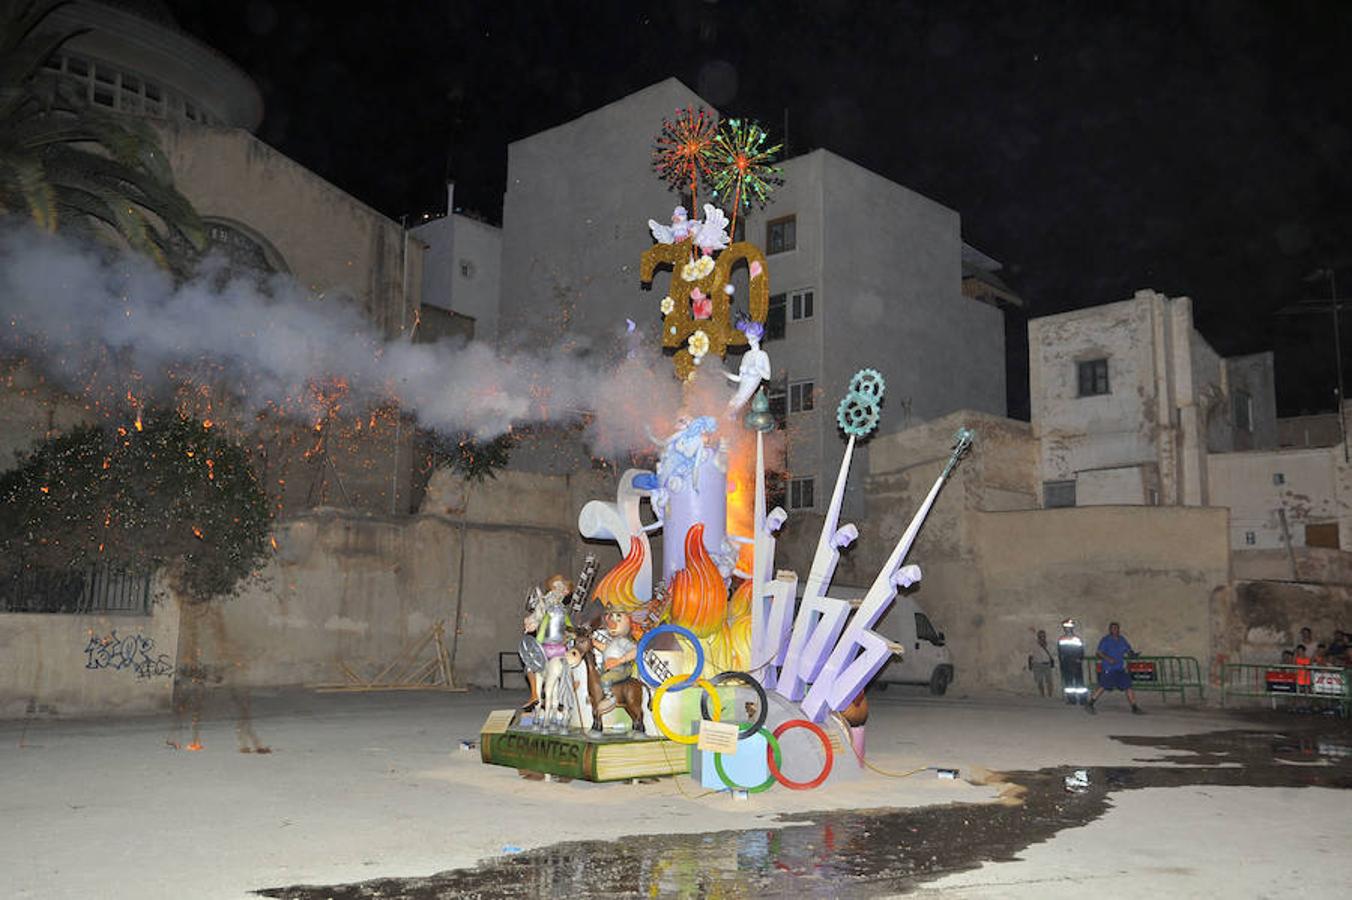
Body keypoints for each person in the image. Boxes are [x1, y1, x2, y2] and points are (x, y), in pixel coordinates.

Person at [1086, 622, 1143, 714]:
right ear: (1110, 630)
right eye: (1113, 628)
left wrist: (1133, 654)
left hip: (1120, 668)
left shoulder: (1122, 640)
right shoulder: (1106, 640)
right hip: (1109, 668)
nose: (1115, 630)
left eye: (1116, 628)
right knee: (1103, 686)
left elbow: (1128, 650)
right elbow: (1099, 652)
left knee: (1128, 686)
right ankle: (1090, 703)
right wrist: (1108, 658)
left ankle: (1134, 707)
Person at [1056, 619, 1088, 705]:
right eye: (1066, 628)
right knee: (1069, 683)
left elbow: (1081, 651)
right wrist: (1062, 663)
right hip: (1066, 663)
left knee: (1079, 682)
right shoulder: (1061, 639)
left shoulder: (1076, 639)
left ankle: (1082, 700)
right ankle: (1072, 699)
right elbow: (1060, 653)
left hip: (1075, 663)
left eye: (1069, 627)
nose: (1068, 629)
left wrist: (1079, 659)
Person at [1028, 629, 1056, 698]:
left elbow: (1052, 654)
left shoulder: (1049, 644)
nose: (1042, 638)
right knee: (1040, 681)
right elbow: (1030, 656)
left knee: (1049, 681)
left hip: (1047, 664)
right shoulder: (1034, 645)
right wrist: (1030, 665)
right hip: (1038, 664)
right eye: (1040, 636)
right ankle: (1042, 695)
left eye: (1043, 636)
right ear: (1038, 637)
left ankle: (1050, 695)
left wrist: (1052, 662)